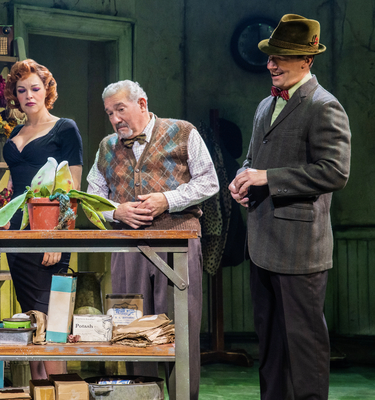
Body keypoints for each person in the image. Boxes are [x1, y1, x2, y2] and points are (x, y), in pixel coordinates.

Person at [228, 14, 351, 400]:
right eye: (270, 56)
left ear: (307, 61)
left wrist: (269, 178)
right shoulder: (266, 105)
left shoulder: (323, 106)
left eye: (281, 56)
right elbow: (252, 159)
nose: (271, 64)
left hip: (299, 249)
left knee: (305, 348)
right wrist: (242, 178)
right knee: (270, 346)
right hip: (262, 243)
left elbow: (335, 172)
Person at [87, 80, 219, 399]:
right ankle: (142, 395)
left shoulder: (183, 131)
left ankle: (183, 396)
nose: (116, 118)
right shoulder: (107, 146)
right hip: (127, 248)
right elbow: (91, 196)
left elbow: (209, 182)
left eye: (121, 109)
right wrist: (117, 212)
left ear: (142, 104)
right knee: (130, 328)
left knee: (180, 329)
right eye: (109, 113)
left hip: (177, 243)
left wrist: (167, 200)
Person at [3, 59, 83, 378]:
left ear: (47, 90)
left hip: (49, 235)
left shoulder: (65, 128)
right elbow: (15, 184)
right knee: (32, 324)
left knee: (53, 327)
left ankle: (62, 391)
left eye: (35, 88)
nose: (28, 95)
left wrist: (57, 238)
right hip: (17, 239)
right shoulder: (15, 131)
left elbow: (72, 189)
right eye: (21, 90)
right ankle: (41, 392)